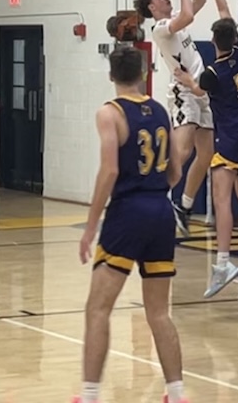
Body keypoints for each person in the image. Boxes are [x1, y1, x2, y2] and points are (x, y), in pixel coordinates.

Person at [73, 47, 189, 403]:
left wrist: (90, 226)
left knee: (98, 308)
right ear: (143, 73)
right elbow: (175, 171)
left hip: (128, 213)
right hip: (161, 211)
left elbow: (110, 170)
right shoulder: (160, 111)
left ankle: (89, 396)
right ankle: (177, 394)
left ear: (111, 75)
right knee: (159, 312)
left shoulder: (110, 113)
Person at [175, 3, 238, 303]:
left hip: (229, 139)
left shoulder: (212, 73)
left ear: (213, 41)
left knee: (222, 200)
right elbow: (226, 11)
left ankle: (224, 262)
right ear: (234, 38)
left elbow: (198, 90)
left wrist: (185, 78)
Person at [132, 0, 210, 237]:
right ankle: (153, 200)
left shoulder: (176, 19)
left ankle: (184, 206)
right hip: (183, 92)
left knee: (207, 154)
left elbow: (200, 2)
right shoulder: (161, 28)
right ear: (152, 7)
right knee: (183, 151)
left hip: (201, 91)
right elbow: (189, 13)